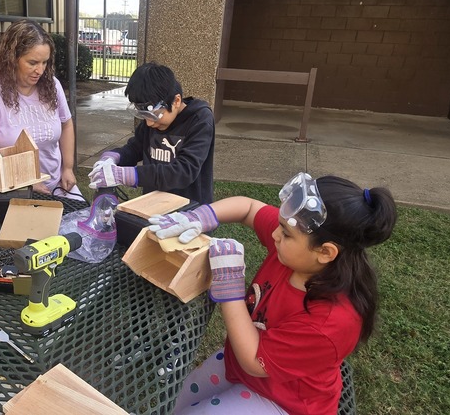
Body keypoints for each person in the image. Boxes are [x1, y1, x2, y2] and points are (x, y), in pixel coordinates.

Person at [149, 172, 397, 414]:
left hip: (287, 401)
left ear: (325, 252)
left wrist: (231, 287)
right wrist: (200, 216)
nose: (275, 235)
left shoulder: (330, 322)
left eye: (286, 234)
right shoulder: (296, 252)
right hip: (240, 362)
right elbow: (248, 208)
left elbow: (255, 361)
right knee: (179, 399)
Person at [0, 20, 79, 198]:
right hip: (12, 189)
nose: (40, 70)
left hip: (55, 184)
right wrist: (26, 180)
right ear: (11, 59)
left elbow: (67, 125)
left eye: (45, 62)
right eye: (32, 63)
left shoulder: (51, 85)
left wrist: (68, 168)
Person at [88, 62, 215, 203]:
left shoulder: (200, 120)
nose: (149, 123)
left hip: (190, 210)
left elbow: (184, 171)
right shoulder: (152, 119)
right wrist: (112, 157)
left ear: (176, 101)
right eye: (144, 116)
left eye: (155, 115)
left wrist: (126, 175)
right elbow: (135, 148)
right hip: (153, 204)